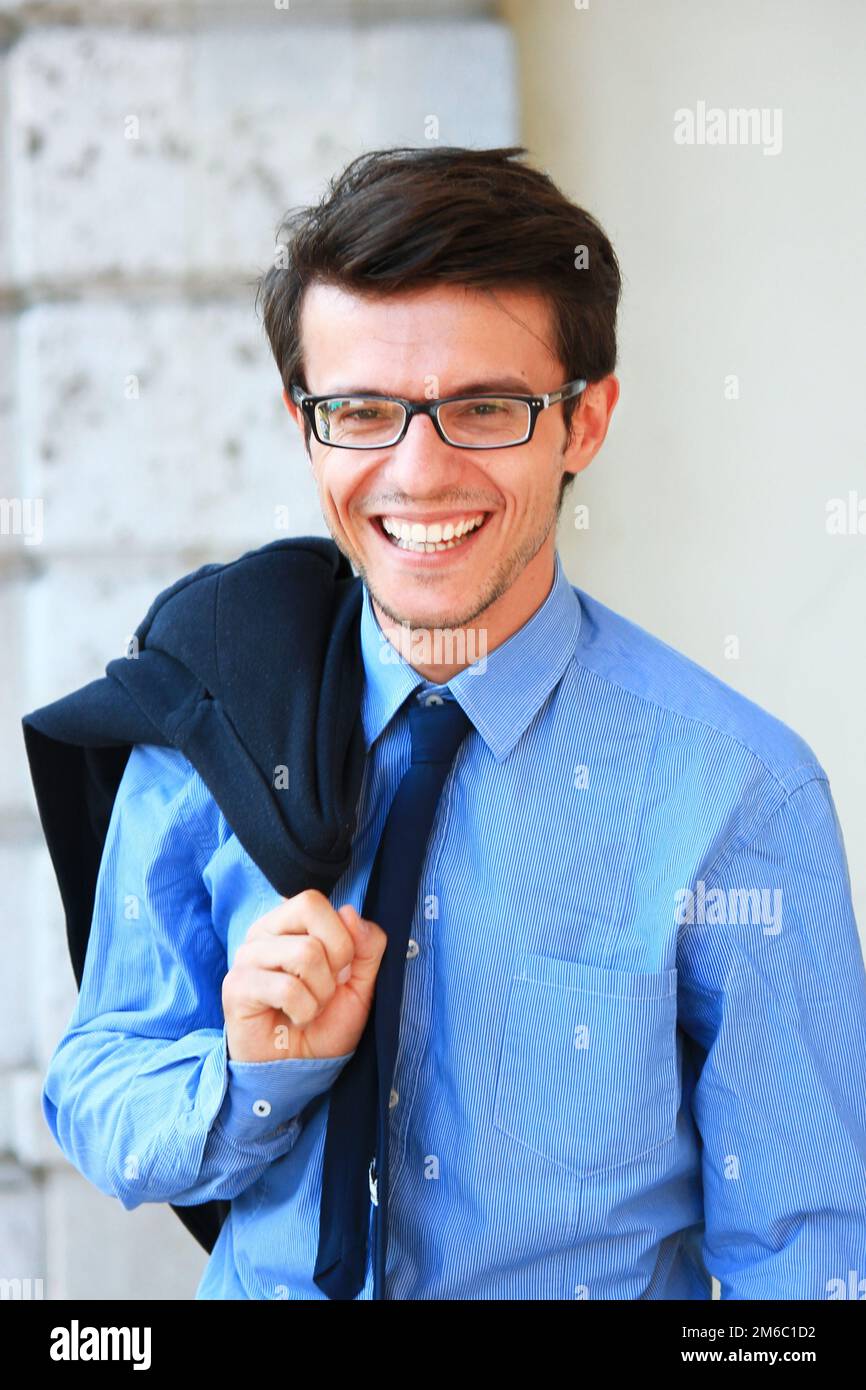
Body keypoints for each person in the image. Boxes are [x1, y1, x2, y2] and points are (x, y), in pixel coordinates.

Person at [41, 145, 866, 1300]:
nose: (417, 473)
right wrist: (249, 1080)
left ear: (581, 424)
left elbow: (807, 1265)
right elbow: (93, 1090)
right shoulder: (213, 719)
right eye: (362, 410)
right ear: (304, 423)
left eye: (483, 407)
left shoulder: (740, 793)